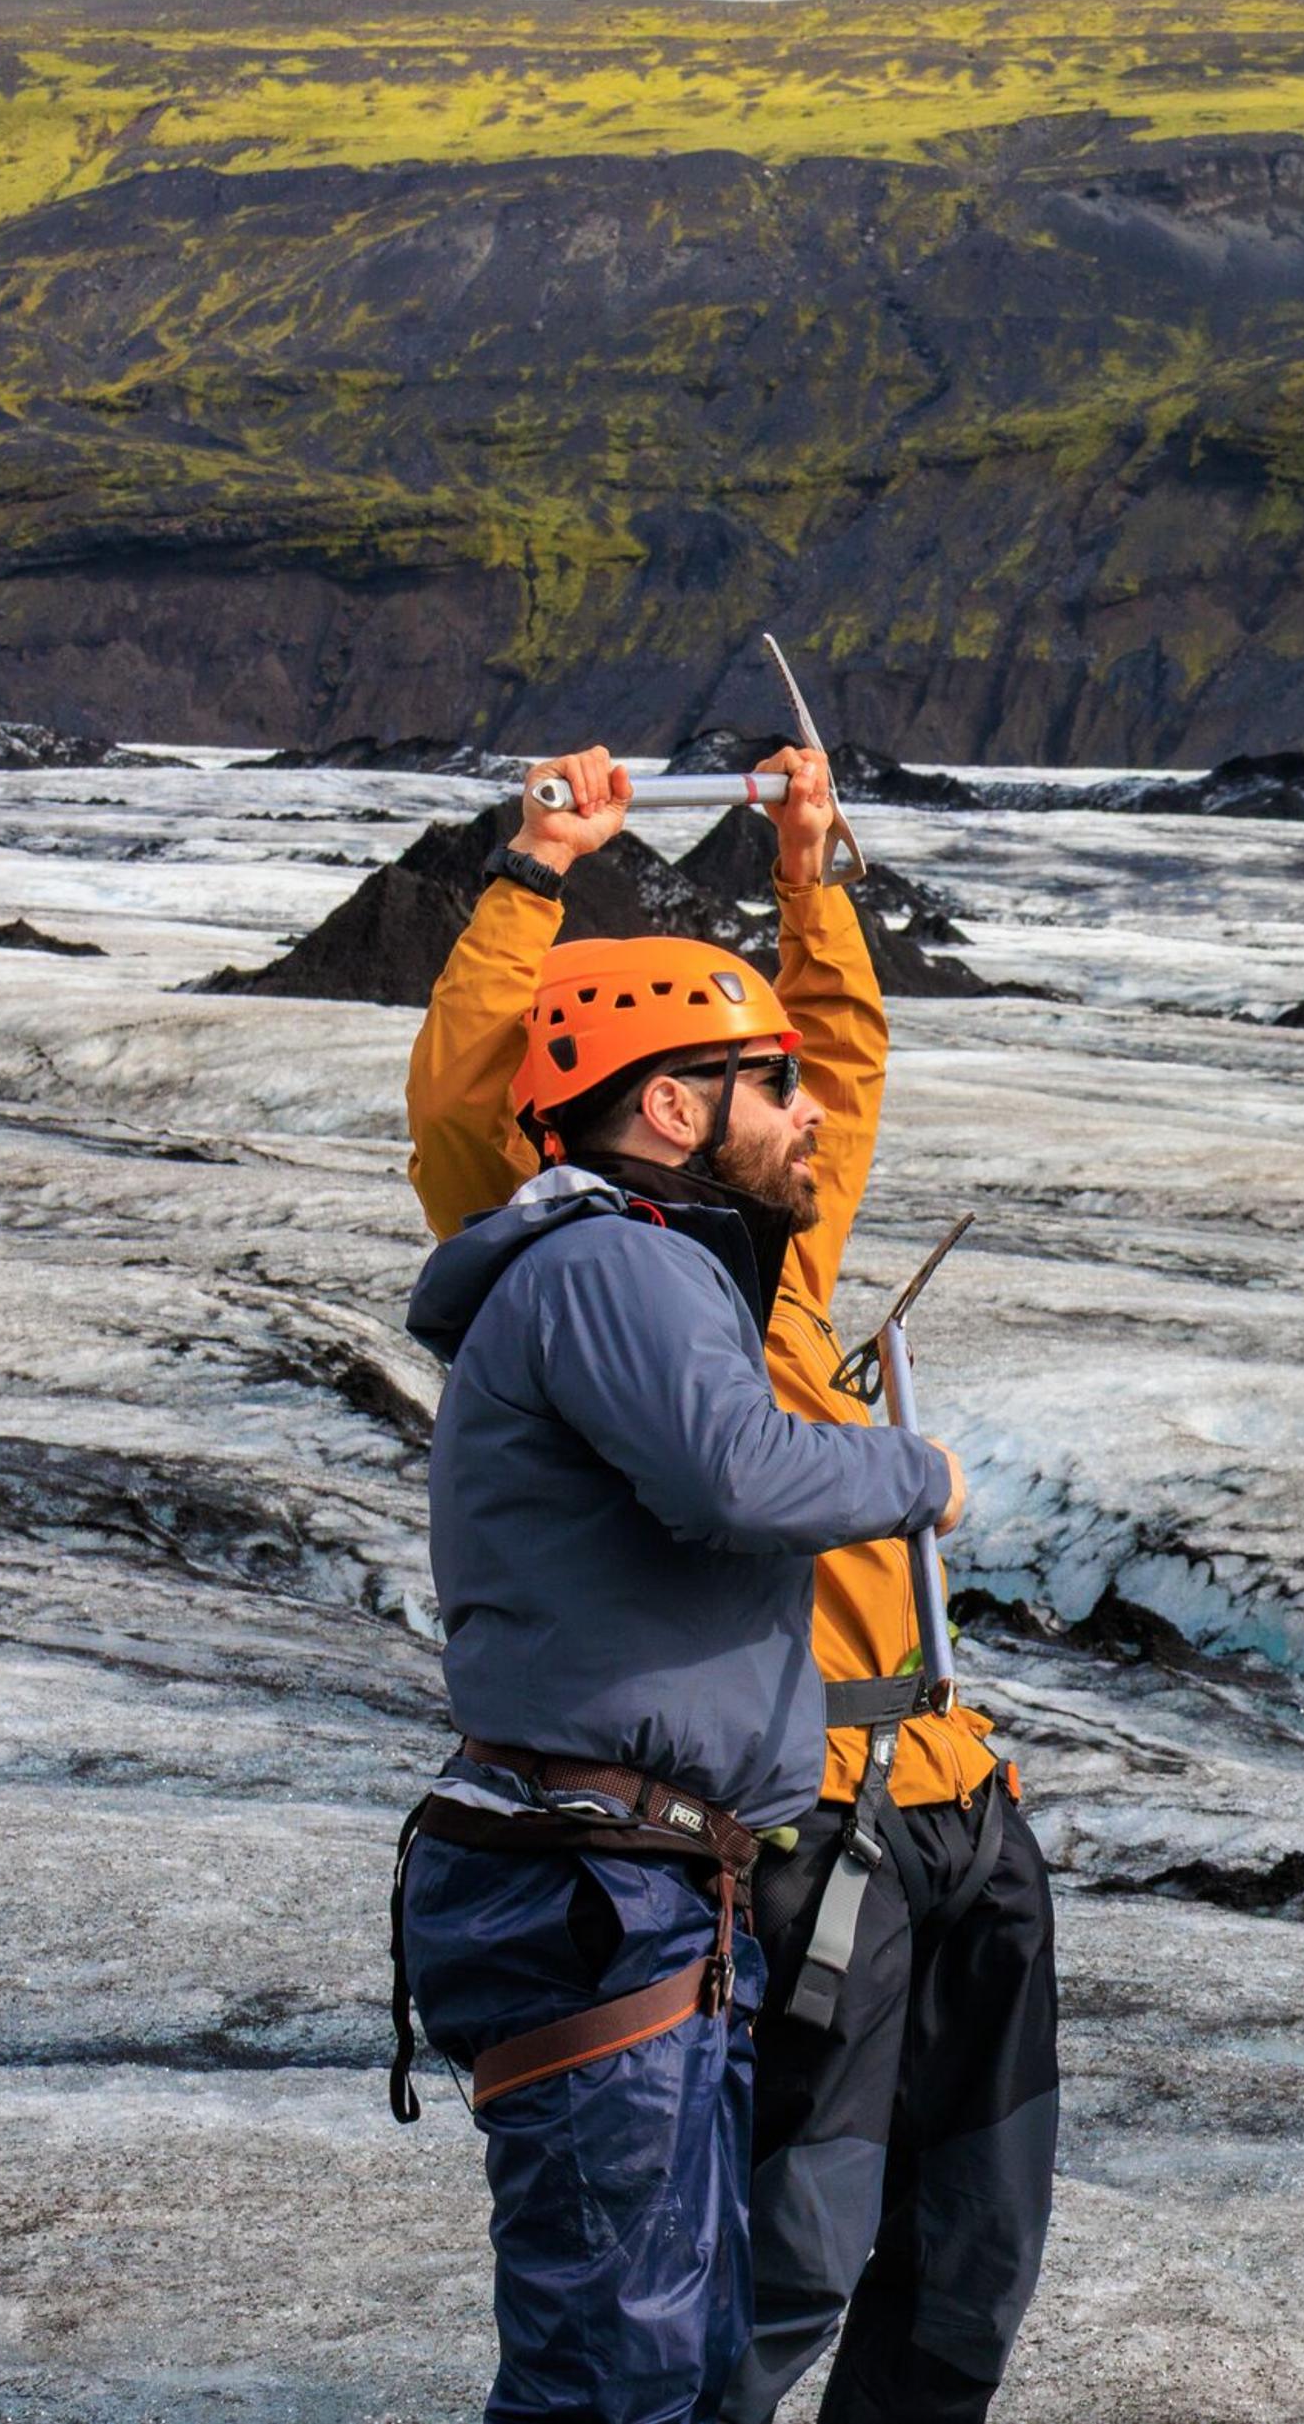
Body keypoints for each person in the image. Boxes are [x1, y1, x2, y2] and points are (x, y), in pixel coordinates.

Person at [402, 749, 1060, 2424]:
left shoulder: (756, 1258)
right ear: (672, 1103)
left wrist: (812, 874)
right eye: (757, 1084)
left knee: (958, 2246)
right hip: (783, 1818)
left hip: (941, 1781)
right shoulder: (585, 1252)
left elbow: (831, 1063)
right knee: (748, 2279)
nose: (810, 1115)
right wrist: (539, 872)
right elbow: (474, 1100)